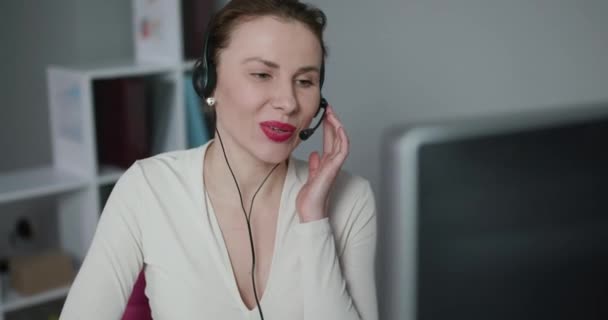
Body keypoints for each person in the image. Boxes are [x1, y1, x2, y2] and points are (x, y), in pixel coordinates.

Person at [59, 0, 378, 319]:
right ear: (209, 81)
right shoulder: (147, 188)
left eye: (305, 81)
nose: (288, 102)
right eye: (262, 74)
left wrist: (314, 221)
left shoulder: (351, 199)